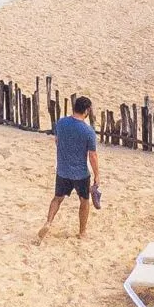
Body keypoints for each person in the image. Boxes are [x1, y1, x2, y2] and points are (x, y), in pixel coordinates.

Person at [39, 95, 100, 240]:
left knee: (57, 199)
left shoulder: (61, 123)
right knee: (84, 201)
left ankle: (48, 222)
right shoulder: (88, 131)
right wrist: (97, 175)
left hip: (62, 171)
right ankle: (82, 232)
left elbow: (57, 141)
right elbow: (92, 156)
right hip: (80, 174)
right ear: (86, 111)